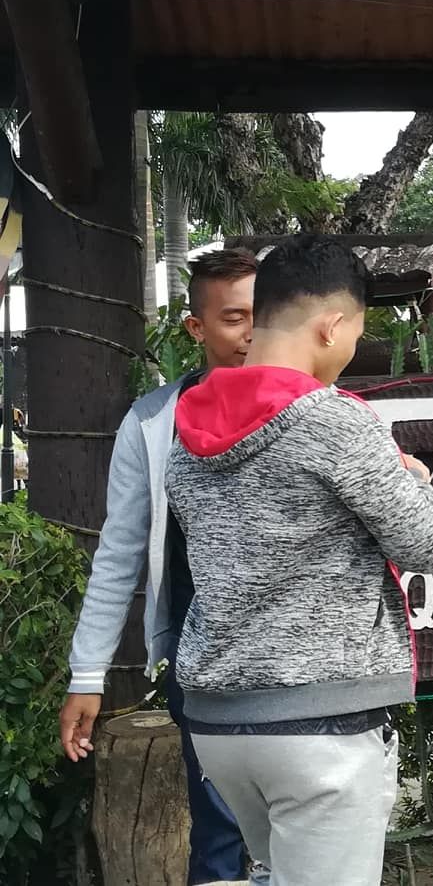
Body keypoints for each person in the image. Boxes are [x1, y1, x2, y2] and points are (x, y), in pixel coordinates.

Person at [167, 233, 433, 886]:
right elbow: (424, 544)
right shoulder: (335, 423)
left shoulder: (188, 428)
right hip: (319, 723)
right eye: (355, 335)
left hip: (219, 722)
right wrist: (417, 483)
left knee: (272, 874)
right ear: (331, 326)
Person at [60, 248, 261, 886]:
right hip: (200, 660)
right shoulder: (152, 424)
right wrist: (87, 673)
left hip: (303, 661)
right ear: (196, 328)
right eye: (233, 317)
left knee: (302, 836)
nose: (251, 332)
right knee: (220, 829)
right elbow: (119, 552)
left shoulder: (318, 409)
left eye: (262, 314)